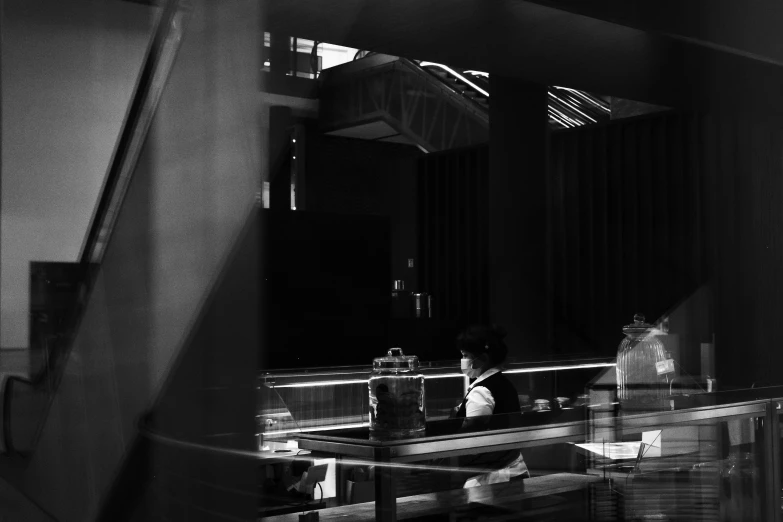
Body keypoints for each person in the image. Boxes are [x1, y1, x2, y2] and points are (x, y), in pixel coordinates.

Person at [452, 324, 530, 488]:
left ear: (483, 359)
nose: (463, 360)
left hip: (493, 479)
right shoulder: (503, 383)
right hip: (514, 468)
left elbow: (471, 434)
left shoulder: (481, 392)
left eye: (466, 355)